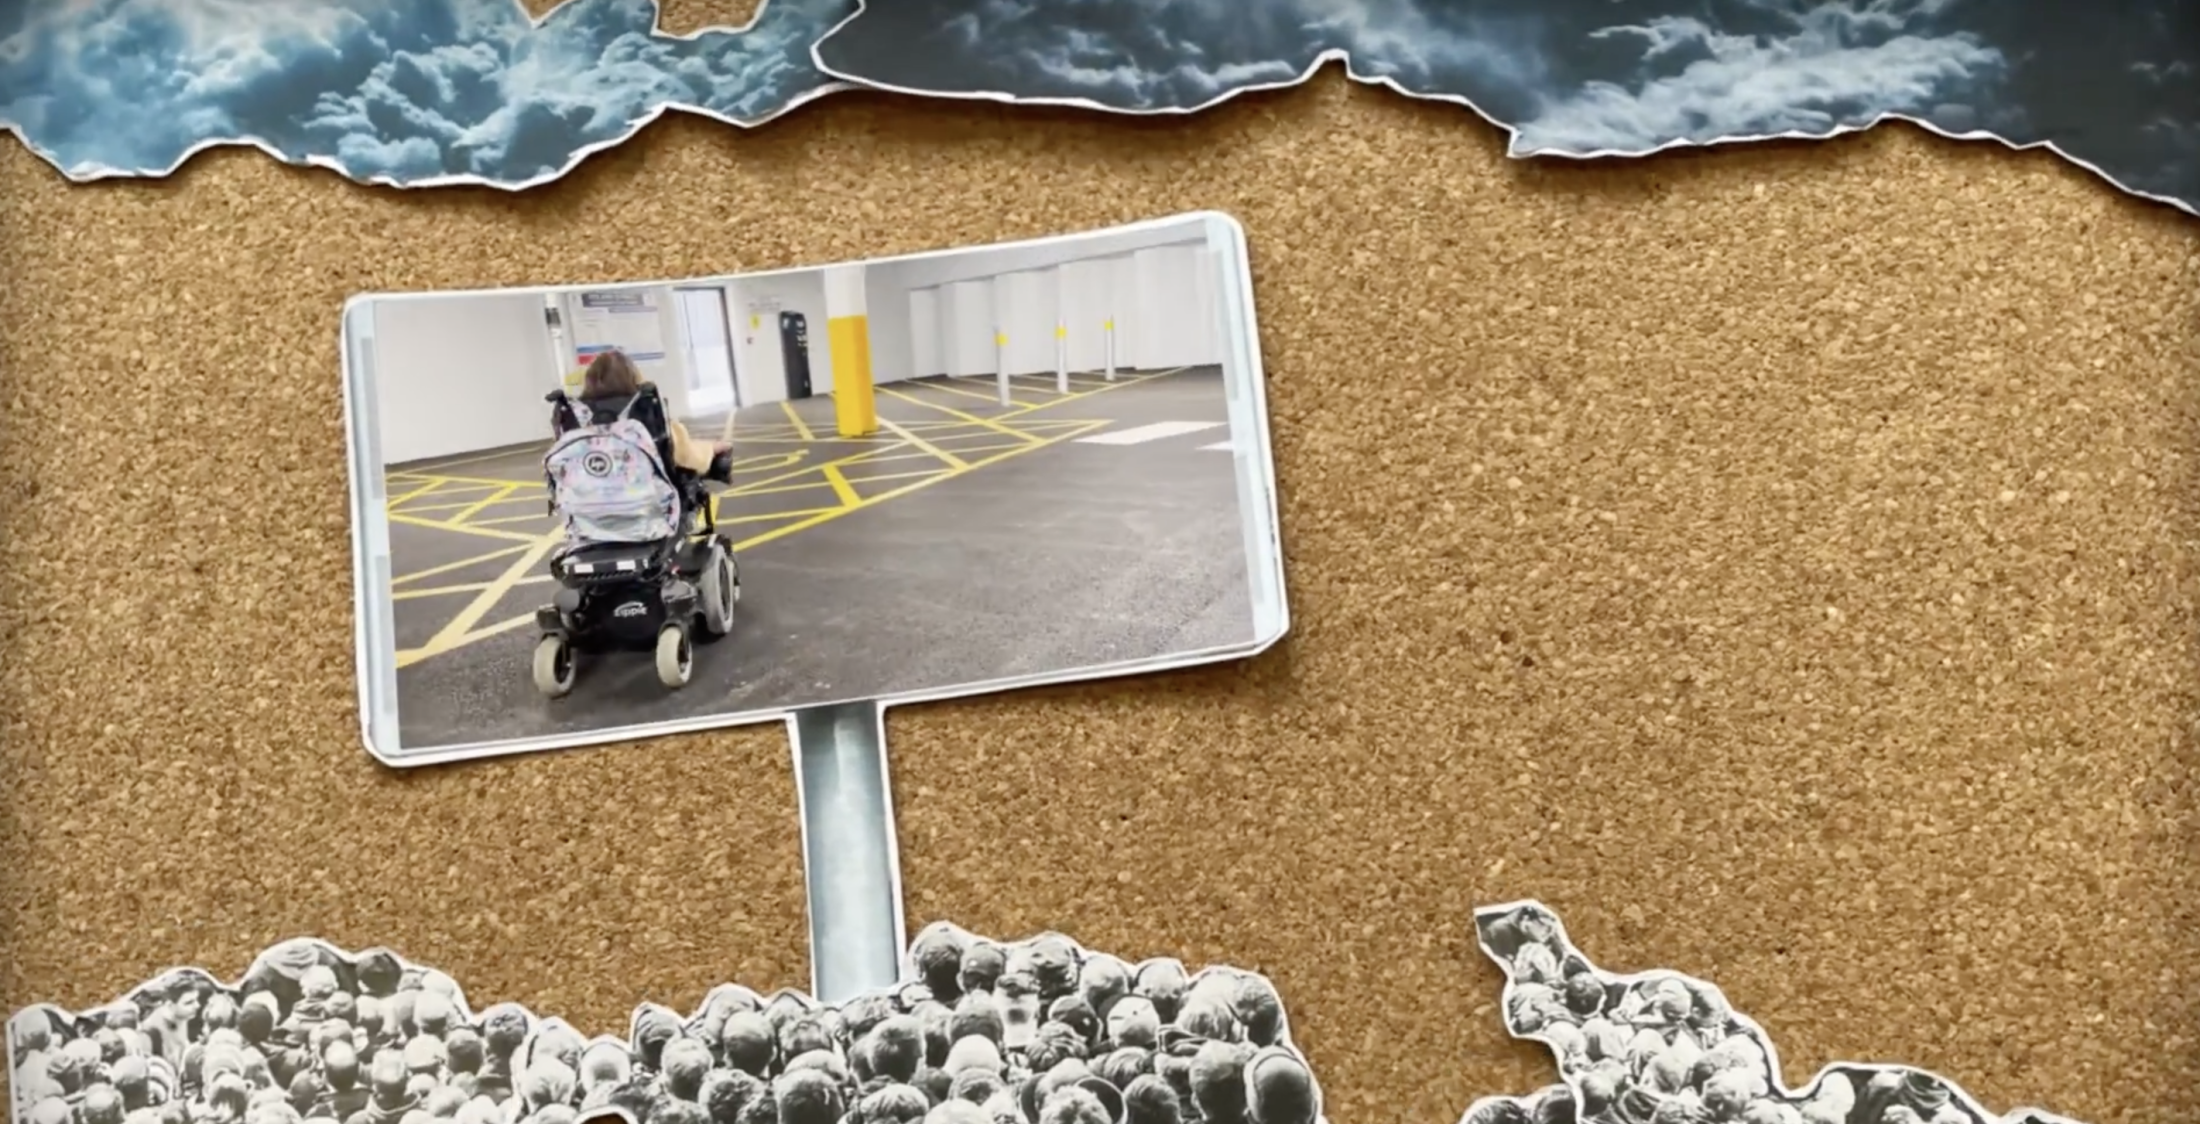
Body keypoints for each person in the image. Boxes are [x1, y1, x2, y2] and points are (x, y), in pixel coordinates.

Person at [568, 349, 732, 483]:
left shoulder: (575, 419)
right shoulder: (646, 411)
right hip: (648, 511)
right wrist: (710, 449)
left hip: (588, 515)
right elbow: (686, 456)